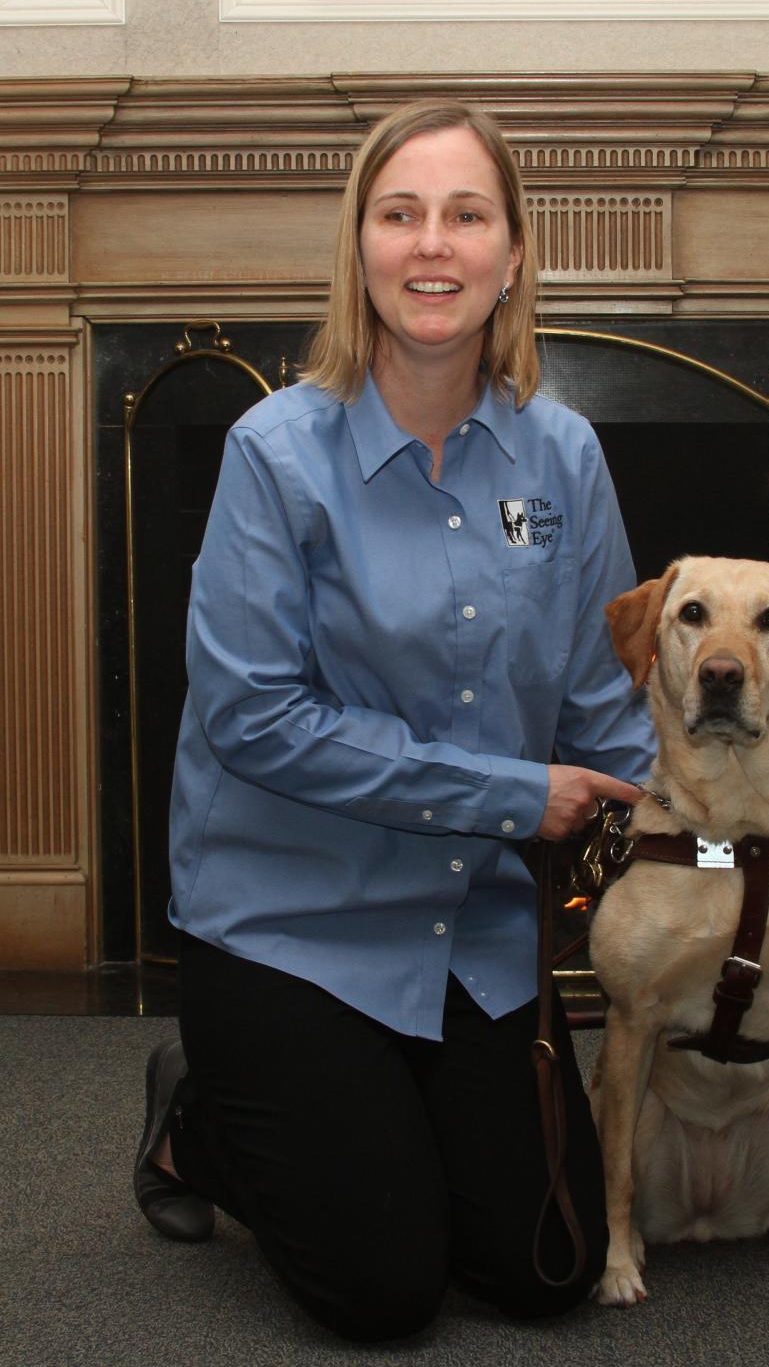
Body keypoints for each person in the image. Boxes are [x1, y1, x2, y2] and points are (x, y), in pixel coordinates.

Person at [133, 98, 656, 1342]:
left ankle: (385, 1112)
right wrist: (514, 795)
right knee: (382, 1293)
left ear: (513, 254)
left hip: (474, 924)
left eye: (467, 215)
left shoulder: (563, 459)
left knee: (548, 1274)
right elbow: (254, 718)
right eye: (400, 213)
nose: (434, 244)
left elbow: (604, 703)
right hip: (290, 922)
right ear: (359, 245)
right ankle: (196, 1121)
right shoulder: (275, 452)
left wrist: (708, 837)